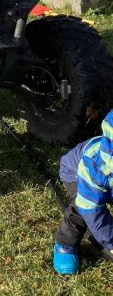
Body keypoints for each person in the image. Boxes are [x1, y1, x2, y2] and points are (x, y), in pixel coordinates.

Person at [53, 109, 113, 275]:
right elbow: (92, 210)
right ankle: (65, 243)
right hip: (76, 175)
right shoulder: (97, 167)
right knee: (81, 209)